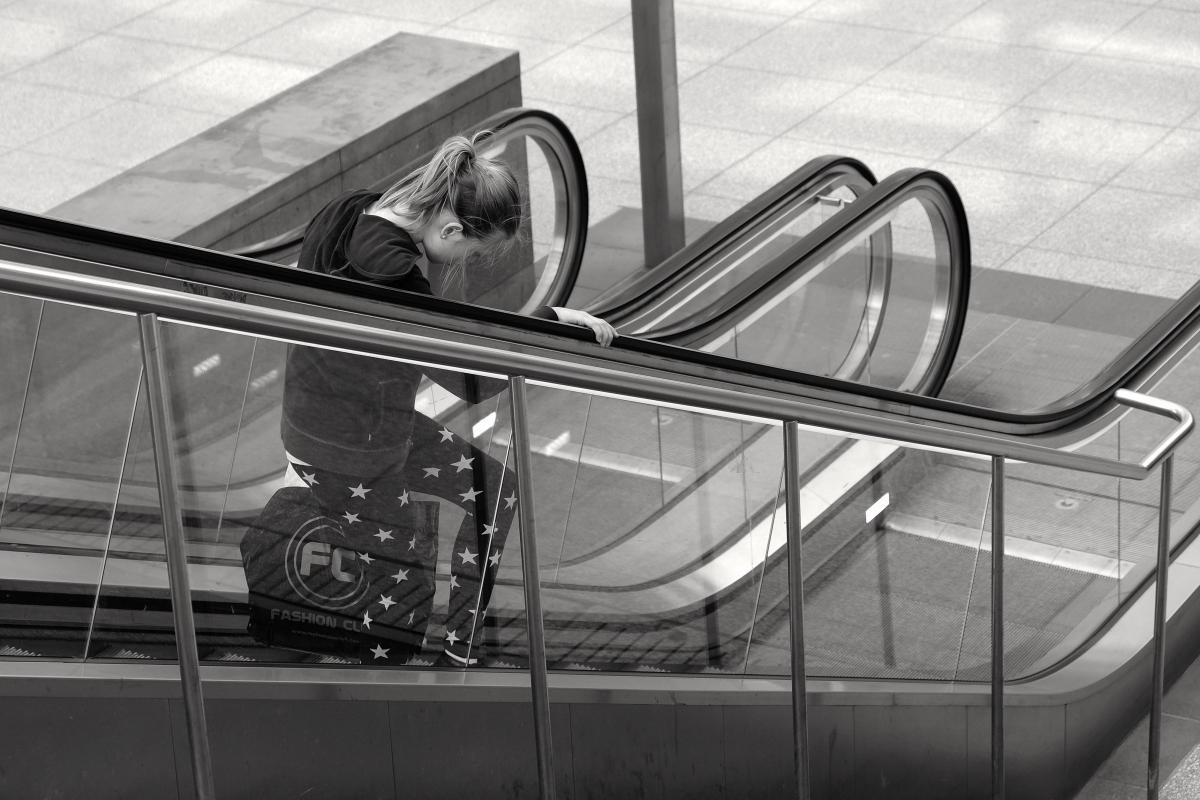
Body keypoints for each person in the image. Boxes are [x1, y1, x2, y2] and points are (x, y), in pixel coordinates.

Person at [269, 130, 616, 667]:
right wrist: (553, 328)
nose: (459, 263)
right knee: (400, 601)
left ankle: (457, 649)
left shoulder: (351, 210)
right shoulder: (394, 280)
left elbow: (449, 332)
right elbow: (473, 382)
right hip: (350, 453)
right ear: (451, 226)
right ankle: (404, 675)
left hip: (349, 426)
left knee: (497, 492)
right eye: (468, 251)